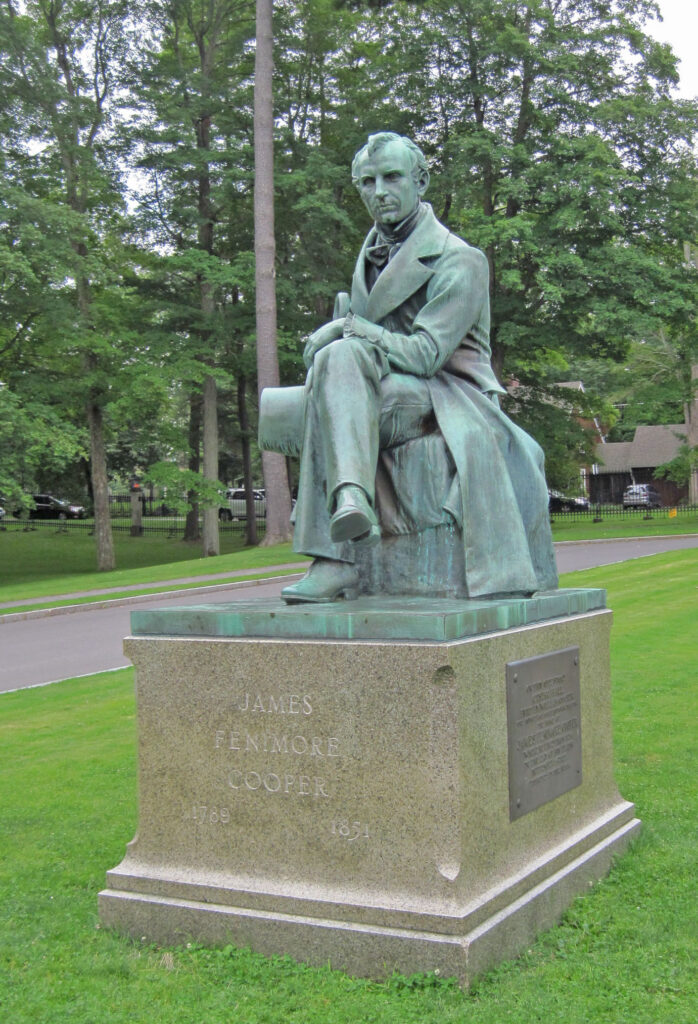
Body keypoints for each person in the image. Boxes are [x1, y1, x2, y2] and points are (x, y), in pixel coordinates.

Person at [280, 132, 557, 603]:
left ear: (421, 180)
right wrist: (344, 336)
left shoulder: (461, 259)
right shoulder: (369, 255)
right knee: (335, 364)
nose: (379, 190)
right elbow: (363, 340)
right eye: (367, 182)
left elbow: (428, 354)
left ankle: (334, 554)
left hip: (449, 395)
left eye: (391, 177)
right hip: (388, 388)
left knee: (338, 360)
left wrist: (345, 328)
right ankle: (349, 505)